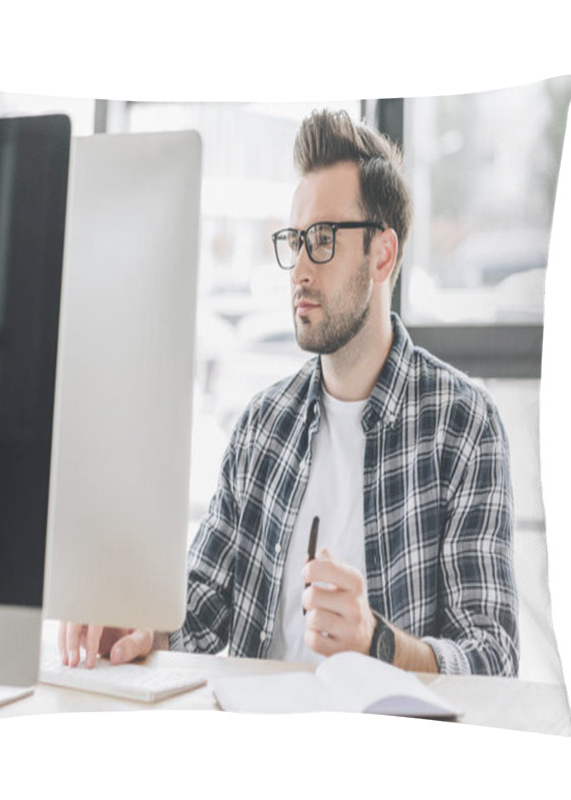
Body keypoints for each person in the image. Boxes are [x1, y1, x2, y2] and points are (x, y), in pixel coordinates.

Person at [60, 109, 519, 677]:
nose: (299, 268)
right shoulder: (262, 425)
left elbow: (493, 656)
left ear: (383, 255)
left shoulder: (464, 425)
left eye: (323, 240)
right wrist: (137, 622)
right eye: (295, 240)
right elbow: (201, 608)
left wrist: (377, 642)